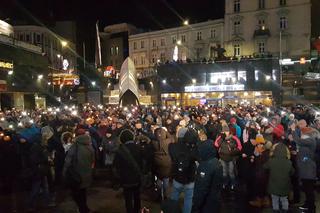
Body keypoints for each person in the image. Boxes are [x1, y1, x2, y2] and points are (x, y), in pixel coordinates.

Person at [63, 131, 95, 213]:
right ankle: (84, 208)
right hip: (87, 174)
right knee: (83, 192)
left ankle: (82, 208)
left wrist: (64, 172)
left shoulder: (75, 147)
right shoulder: (90, 148)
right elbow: (93, 160)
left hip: (76, 174)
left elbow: (68, 161)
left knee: (76, 193)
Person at [169, 129, 198, 213]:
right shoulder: (193, 147)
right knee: (188, 199)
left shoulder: (173, 146)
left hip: (177, 177)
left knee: (174, 197)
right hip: (190, 179)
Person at [291, 123, 317, 213]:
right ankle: (307, 204)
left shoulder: (310, 140)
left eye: (301, 133)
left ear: (305, 134)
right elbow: (305, 153)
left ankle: (311, 209)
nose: (301, 135)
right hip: (305, 169)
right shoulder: (307, 141)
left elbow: (298, 141)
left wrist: (293, 130)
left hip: (308, 170)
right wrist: (297, 154)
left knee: (309, 190)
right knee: (306, 189)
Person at [114, 129, 142, 213]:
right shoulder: (139, 148)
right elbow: (143, 162)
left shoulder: (120, 150)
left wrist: (119, 177)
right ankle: (137, 210)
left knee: (128, 198)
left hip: (126, 179)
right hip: (137, 177)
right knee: (137, 196)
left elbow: (116, 166)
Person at [192, 140, 223, 213]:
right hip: (215, 201)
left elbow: (202, 189)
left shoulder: (206, 166)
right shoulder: (216, 162)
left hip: (207, 205)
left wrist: (195, 206)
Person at [264, 143, 294, 213]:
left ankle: (276, 211)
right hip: (285, 185)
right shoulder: (289, 162)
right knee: (284, 199)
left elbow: (264, 167)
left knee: (275, 200)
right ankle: (285, 211)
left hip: (273, 185)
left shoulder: (271, 161)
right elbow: (292, 172)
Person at [214, 125, 242, 190]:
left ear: (229, 131)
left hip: (231, 158)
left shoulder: (234, 138)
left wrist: (233, 152)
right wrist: (221, 138)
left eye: (226, 131)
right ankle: (225, 183)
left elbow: (240, 147)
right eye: (224, 131)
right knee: (224, 173)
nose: (225, 132)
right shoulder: (220, 137)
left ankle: (233, 183)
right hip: (223, 158)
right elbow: (216, 144)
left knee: (231, 172)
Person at [153, 127, 174, 199]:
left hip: (157, 161)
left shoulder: (153, 142)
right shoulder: (168, 141)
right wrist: (166, 131)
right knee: (166, 178)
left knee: (159, 178)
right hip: (167, 162)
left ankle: (158, 195)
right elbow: (172, 138)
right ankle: (166, 195)